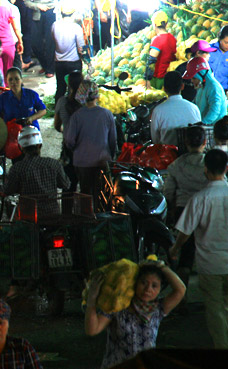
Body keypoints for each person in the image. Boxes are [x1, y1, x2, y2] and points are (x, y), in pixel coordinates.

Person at [170, 149, 228, 349]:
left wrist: (175, 248)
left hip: (210, 265)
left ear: (205, 170)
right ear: (226, 168)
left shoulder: (199, 198)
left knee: (215, 310)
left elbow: (185, 232)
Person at [85, 261, 186, 368]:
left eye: (154, 286)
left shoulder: (158, 309)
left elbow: (181, 289)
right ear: (135, 283)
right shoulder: (118, 306)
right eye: (143, 283)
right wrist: (91, 300)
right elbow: (92, 330)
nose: (148, 289)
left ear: (160, 289)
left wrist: (161, 266)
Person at [163, 126, 208, 302]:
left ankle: (181, 298)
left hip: (184, 211)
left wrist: (171, 209)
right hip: (207, 210)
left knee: (186, 255)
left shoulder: (176, 165)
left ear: (186, 143)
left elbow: (168, 192)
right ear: (205, 142)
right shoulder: (209, 163)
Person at [65, 80, 116, 209]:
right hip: (102, 161)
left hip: (82, 162)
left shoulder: (76, 116)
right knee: (103, 195)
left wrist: (76, 149)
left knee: (85, 195)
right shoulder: (107, 114)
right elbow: (113, 141)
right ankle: (102, 222)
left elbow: (69, 141)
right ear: (96, 94)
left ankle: (86, 224)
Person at [5, 126, 70, 218]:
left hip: (28, 216)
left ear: (21, 147)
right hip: (53, 214)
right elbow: (66, 184)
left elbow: (8, 190)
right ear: (40, 145)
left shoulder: (17, 168)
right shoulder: (54, 164)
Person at [150, 71, 202, 146]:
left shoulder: (158, 111)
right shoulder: (194, 108)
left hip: (168, 155)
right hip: (190, 152)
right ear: (182, 86)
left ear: (164, 89)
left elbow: (155, 140)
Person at [54, 71, 83, 192]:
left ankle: (66, 211)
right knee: (86, 188)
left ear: (68, 85)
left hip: (68, 149)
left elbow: (56, 125)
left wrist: (65, 131)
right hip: (85, 149)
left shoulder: (62, 102)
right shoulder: (86, 104)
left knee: (68, 186)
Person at [51, 5, 84, 101]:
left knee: (60, 89)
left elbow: (53, 40)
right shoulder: (76, 27)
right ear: (73, 14)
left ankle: (59, 112)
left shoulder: (55, 25)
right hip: (73, 63)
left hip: (59, 62)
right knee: (74, 89)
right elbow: (81, 49)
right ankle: (73, 111)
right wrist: (88, 61)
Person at [182, 56, 227, 125]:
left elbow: (215, 110)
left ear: (201, 75)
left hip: (215, 128)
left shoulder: (213, 87)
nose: (192, 81)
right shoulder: (202, 87)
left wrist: (203, 123)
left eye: (194, 78)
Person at [144, 11, 176, 90]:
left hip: (158, 78)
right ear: (166, 24)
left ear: (154, 25)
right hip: (169, 76)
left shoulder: (157, 40)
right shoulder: (172, 38)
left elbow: (151, 62)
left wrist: (147, 80)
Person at [26, 0, 56, 78]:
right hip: (37, 13)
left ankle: (50, 69)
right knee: (34, 43)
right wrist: (37, 6)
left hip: (51, 11)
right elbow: (26, 2)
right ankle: (45, 65)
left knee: (50, 42)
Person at [209, 26, 228, 92]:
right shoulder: (209, 50)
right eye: (226, 42)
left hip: (223, 91)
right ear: (220, 39)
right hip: (206, 89)